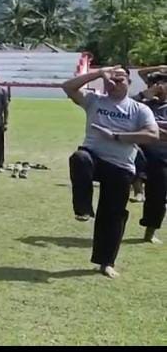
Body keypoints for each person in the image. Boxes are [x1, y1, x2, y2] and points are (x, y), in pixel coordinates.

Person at [63, 66, 159, 278]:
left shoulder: (139, 109)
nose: (115, 82)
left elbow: (152, 135)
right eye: (111, 79)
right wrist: (99, 73)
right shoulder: (95, 101)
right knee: (79, 158)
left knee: (113, 216)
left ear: (130, 83)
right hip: (93, 158)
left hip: (121, 166)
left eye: (121, 79)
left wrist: (116, 135)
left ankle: (105, 262)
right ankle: (83, 208)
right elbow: (68, 87)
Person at [134, 69, 167, 244]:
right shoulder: (143, 104)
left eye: (162, 83)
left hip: (161, 157)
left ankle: (150, 232)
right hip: (138, 152)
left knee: (158, 196)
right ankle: (138, 190)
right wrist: (143, 95)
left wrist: (151, 129)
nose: (157, 87)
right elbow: (124, 109)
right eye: (154, 84)